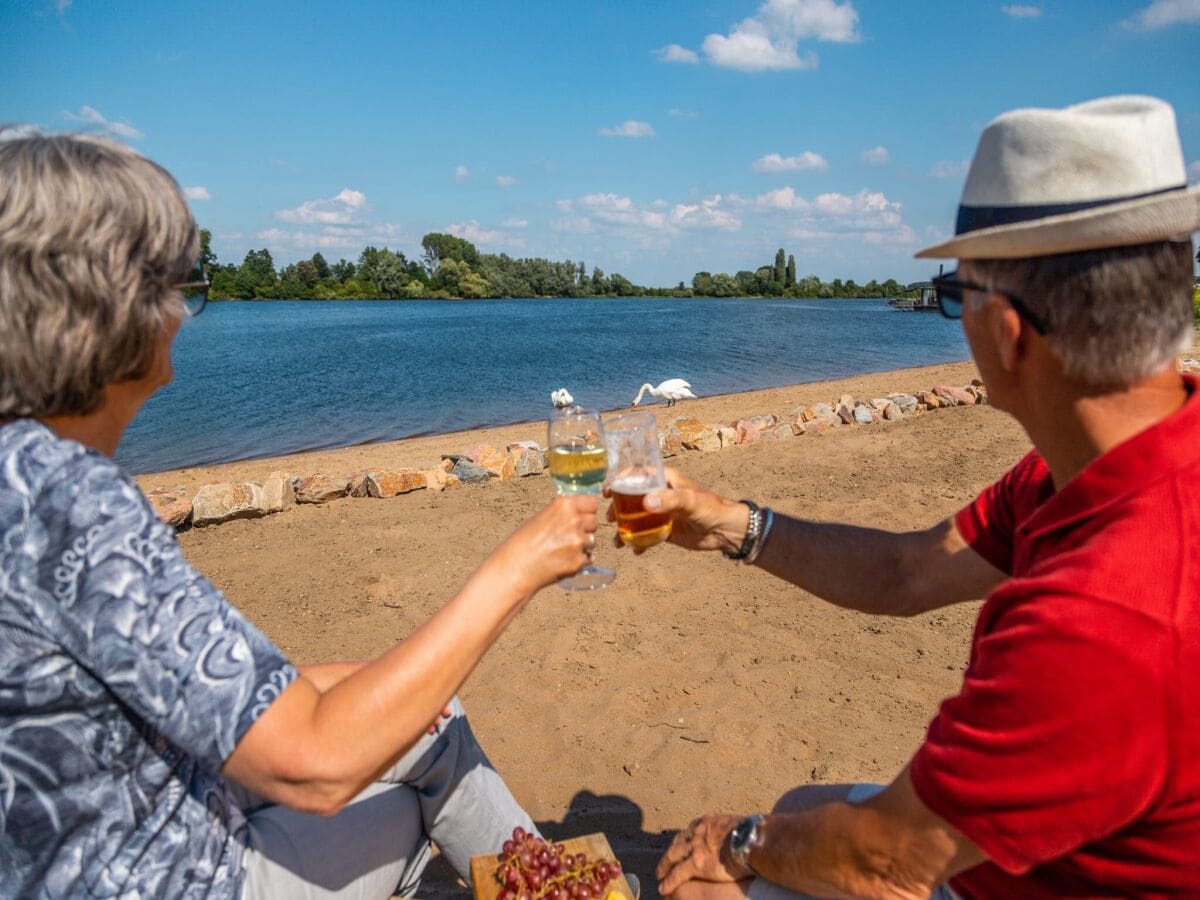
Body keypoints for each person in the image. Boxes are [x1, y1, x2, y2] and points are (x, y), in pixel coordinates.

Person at [0, 133, 600, 898]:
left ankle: (560, 885)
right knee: (421, 779)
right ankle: (565, 888)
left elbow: (135, 690)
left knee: (429, 722)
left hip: (95, 826)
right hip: (161, 875)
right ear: (106, 308)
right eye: (179, 287)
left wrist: (362, 686)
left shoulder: (20, 479)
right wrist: (520, 564)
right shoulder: (69, 504)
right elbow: (316, 767)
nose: (185, 313)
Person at [631, 95, 1200, 898]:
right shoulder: (1094, 469)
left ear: (1007, 331)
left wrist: (740, 841)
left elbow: (885, 862)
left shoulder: (1110, 614)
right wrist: (732, 524)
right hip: (1070, 850)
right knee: (803, 808)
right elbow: (910, 570)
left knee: (716, 883)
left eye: (951, 294)